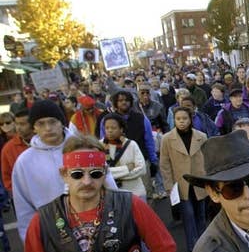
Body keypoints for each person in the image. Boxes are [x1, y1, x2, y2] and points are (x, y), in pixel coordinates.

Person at [23, 135, 176, 252]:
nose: (87, 182)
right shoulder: (42, 221)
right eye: (77, 174)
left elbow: (165, 248)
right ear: (64, 174)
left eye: (95, 173)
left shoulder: (131, 205)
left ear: (104, 172)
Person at [13, 101, 118, 241]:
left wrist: (119, 217)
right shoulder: (24, 162)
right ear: (34, 127)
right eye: (41, 123)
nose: (48, 128)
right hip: (53, 234)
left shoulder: (85, 149)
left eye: (52, 122)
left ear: (62, 122)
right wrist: (30, 241)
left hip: (98, 225)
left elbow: (109, 184)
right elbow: (24, 209)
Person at [159, 106, 208, 252]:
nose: (181, 122)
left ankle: (204, 244)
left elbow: (207, 158)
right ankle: (193, 246)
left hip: (199, 180)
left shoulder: (201, 136)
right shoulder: (167, 138)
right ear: (174, 120)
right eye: (178, 119)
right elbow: (165, 163)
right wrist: (168, 185)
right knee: (188, 215)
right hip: (180, 183)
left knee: (201, 214)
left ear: (190, 119)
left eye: (184, 118)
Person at [101, 113, 147, 200]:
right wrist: (126, 169)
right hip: (111, 196)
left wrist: (110, 174)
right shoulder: (99, 146)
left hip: (135, 193)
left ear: (121, 129)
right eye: (107, 128)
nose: (109, 131)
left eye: (113, 128)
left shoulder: (131, 144)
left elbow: (141, 170)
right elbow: (101, 171)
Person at [1, 109, 33, 194]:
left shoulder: (46, 142)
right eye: (16, 124)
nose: (18, 127)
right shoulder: (7, 149)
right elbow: (7, 178)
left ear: (33, 124)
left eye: (22, 124)